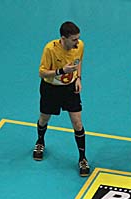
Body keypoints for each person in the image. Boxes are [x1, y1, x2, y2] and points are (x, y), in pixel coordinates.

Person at [34, 21, 90, 177]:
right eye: (74, 39)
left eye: (78, 38)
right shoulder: (50, 49)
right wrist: (61, 71)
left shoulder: (79, 46)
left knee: (77, 123)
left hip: (70, 89)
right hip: (51, 89)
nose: (77, 42)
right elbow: (42, 73)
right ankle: (40, 142)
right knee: (44, 119)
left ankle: (82, 158)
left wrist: (78, 78)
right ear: (63, 38)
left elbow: (78, 61)